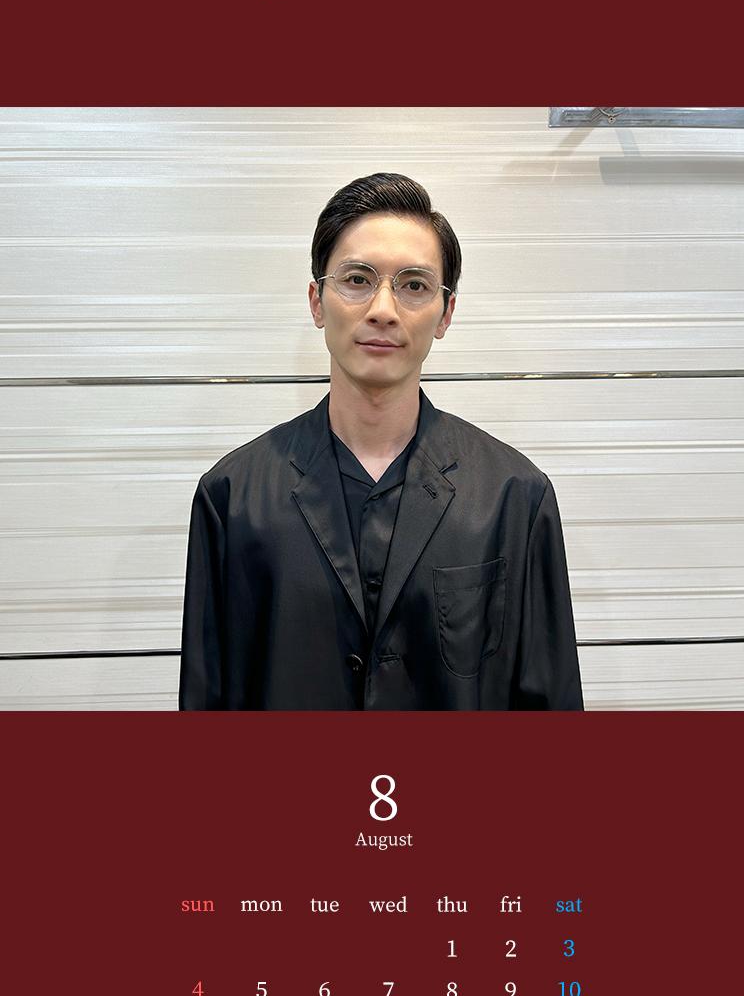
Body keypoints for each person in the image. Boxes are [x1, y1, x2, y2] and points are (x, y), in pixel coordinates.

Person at [179, 172, 583, 710]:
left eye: (414, 285)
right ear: (317, 301)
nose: (383, 310)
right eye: (357, 279)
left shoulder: (514, 498)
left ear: (446, 313)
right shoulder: (232, 499)